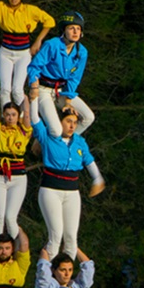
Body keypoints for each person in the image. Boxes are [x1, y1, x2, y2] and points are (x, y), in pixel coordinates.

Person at [29, 98, 104, 259]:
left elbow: (89, 160)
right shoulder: (49, 137)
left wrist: (97, 179)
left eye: (75, 122)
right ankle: (46, 276)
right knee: (56, 236)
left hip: (72, 191)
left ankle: (65, 279)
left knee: (71, 239)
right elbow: (35, 119)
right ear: (59, 121)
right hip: (51, 190)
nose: (72, 126)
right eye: (68, 121)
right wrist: (34, 98)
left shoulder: (79, 141)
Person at [28, 11, 95, 138]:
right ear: (64, 30)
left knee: (88, 117)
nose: (75, 32)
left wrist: (68, 101)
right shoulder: (52, 45)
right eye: (71, 28)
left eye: (78, 29)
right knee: (56, 130)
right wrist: (34, 86)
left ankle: (62, 145)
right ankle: (48, 141)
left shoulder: (82, 52)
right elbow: (34, 66)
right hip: (43, 89)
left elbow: (74, 79)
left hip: (61, 91)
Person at [0, 96, 32, 239]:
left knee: (11, 217)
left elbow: (27, 115)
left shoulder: (23, 131)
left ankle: (17, 251)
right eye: (7, 115)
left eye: (13, 115)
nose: (10, 118)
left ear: (18, 116)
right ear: (3, 116)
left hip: (18, 177)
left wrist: (25, 99)